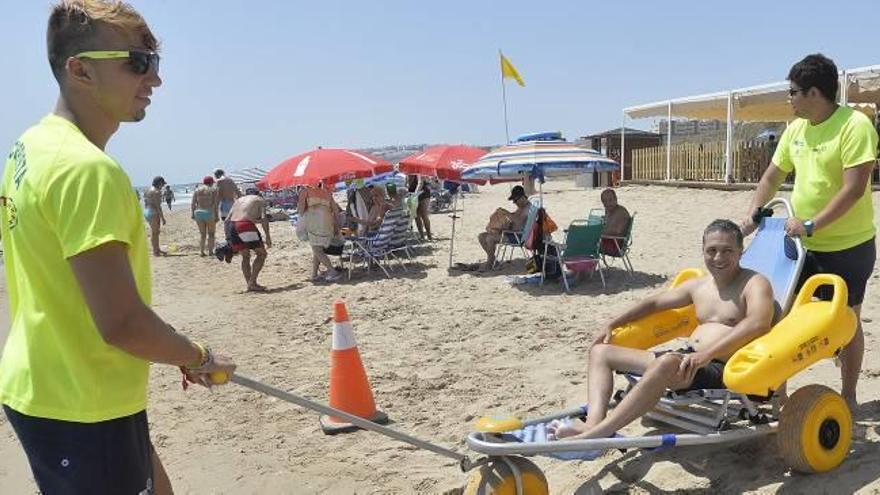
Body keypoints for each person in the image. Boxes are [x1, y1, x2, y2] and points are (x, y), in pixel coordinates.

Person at [0, 3, 236, 494]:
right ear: (80, 69)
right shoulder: (86, 170)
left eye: (154, 61)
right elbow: (123, 324)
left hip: (46, 384)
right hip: (82, 402)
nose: (155, 79)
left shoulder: (30, 146)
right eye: (137, 62)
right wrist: (196, 355)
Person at [550, 220, 774, 442]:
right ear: (703, 251)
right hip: (687, 360)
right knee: (601, 352)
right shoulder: (700, 285)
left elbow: (758, 322)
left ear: (740, 251)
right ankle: (593, 423)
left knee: (667, 362)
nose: (718, 258)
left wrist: (707, 355)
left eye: (727, 251)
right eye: (712, 250)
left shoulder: (754, 283)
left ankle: (598, 434)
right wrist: (613, 323)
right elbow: (655, 303)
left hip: (724, 366)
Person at [740, 54, 878, 408]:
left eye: (793, 92)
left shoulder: (855, 126)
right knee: (781, 316)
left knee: (846, 322)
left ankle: (847, 396)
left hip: (847, 245)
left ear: (814, 92)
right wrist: (755, 213)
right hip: (800, 246)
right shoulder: (796, 129)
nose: (789, 99)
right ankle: (777, 395)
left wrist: (812, 223)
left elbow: (854, 188)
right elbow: (772, 176)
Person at [225, 187, 272, 291]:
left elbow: (227, 220)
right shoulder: (259, 200)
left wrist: (228, 238)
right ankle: (252, 282)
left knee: (245, 256)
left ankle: (250, 284)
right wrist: (268, 236)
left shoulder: (238, 201)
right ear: (258, 193)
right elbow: (264, 218)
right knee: (261, 254)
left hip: (232, 225)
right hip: (245, 225)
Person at [477, 185, 532, 270]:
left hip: (518, 237)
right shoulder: (521, 208)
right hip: (512, 233)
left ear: (521, 197)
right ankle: (493, 259)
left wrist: (506, 213)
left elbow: (518, 222)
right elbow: (515, 219)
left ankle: (490, 262)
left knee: (490, 239)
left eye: (515, 200)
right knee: (481, 236)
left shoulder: (527, 208)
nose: (515, 203)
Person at [297, 182, 343, 282]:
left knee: (316, 249)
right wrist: (337, 225)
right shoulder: (327, 192)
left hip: (314, 222)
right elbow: (335, 210)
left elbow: (300, 210)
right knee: (318, 248)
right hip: (327, 222)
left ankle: (332, 271)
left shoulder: (304, 191)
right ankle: (314, 274)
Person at [598, 188, 631, 256]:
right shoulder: (610, 210)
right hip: (608, 241)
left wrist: (597, 233)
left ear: (616, 199)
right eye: (604, 201)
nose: (607, 203)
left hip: (615, 245)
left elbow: (616, 231)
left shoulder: (621, 211)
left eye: (610, 200)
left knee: (584, 243)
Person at [191, 175, 219, 256]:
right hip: (209, 212)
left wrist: (192, 213)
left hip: (198, 212)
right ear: (211, 182)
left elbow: (193, 203)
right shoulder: (213, 190)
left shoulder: (197, 190)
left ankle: (202, 252)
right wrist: (217, 215)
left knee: (202, 234)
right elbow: (215, 204)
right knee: (211, 234)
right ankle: (210, 252)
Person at [144, 175, 167, 256]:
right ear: (159, 183)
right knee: (155, 233)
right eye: (162, 184)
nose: (163, 186)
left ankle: (157, 249)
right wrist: (163, 218)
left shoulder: (147, 190)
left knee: (154, 232)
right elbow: (158, 206)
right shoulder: (157, 192)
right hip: (153, 212)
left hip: (146, 211)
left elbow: (145, 202)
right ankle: (155, 251)